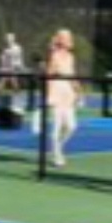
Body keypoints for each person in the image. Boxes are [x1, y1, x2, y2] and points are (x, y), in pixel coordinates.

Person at [45, 30, 82, 168]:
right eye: (66, 38)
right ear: (61, 40)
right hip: (57, 91)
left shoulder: (71, 57)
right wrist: (48, 96)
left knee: (72, 126)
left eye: (70, 38)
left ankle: (57, 148)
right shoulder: (54, 56)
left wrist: (79, 92)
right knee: (56, 127)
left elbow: (72, 76)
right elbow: (48, 76)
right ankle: (57, 156)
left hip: (68, 93)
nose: (69, 40)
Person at [0, 34, 26, 100]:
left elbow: (17, 58)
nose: (8, 40)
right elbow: (3, 58)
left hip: (15, 66)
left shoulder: (17, 48)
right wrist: (3, 57)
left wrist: (20, 66)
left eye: (9, 38)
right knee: (5, 79)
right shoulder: (6, 49)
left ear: (13, 39)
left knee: (13, 79)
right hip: (8, 67)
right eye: (7, 39)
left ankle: (17, 92)